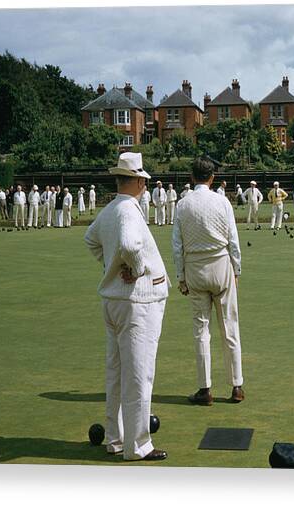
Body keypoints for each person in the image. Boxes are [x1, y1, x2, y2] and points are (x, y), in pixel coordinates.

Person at [84, 151, 168, 462]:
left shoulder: (110, 210)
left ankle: (116, 438)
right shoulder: (128, 212)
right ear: (133, 182)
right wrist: (137, 268)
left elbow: (90, 240)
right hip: (137, 302)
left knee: (116, 371)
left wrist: (110, 265)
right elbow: (131, 246)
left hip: (114, 300)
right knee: (139, 374)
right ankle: (137, 445)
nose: (145, 186)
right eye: (142, 181)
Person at [172, 157, 244, 406]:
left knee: (201, 331)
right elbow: (233, 239)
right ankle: (237, 386)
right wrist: (236, 269)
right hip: (221, 264)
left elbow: (177, 244)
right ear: (212, 177)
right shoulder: (222, 201)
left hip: (195, 267)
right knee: (229, 326)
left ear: (192, 178)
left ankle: (205, 389)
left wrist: (180, 277)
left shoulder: (182, 204)